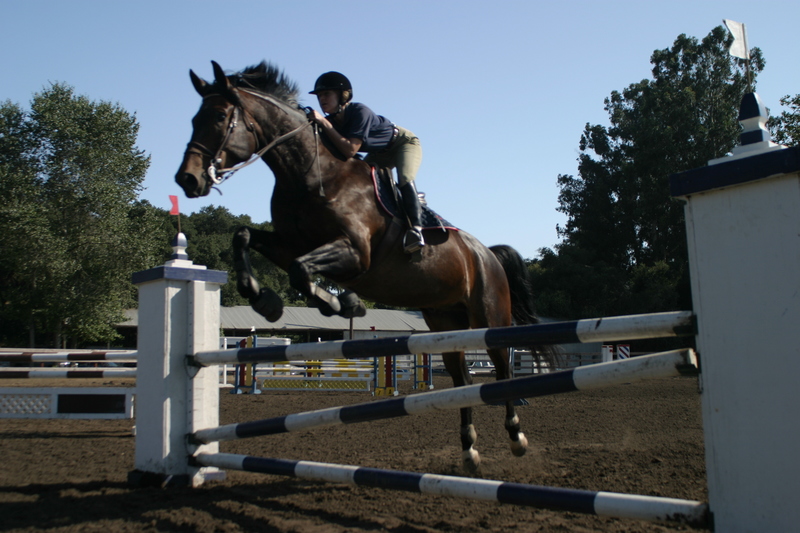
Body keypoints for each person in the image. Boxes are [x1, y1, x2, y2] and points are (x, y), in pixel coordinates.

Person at [308, 71, 425, 254]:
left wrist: (325, 124)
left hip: (402, 143)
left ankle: (416, 230)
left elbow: (350, 150)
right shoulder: (331, 121)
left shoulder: (359, 111)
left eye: (326, 94)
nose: (322, 99)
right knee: (359, 179)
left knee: (405, 177)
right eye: (319, 95)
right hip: (378, 153)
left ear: (343, 95)